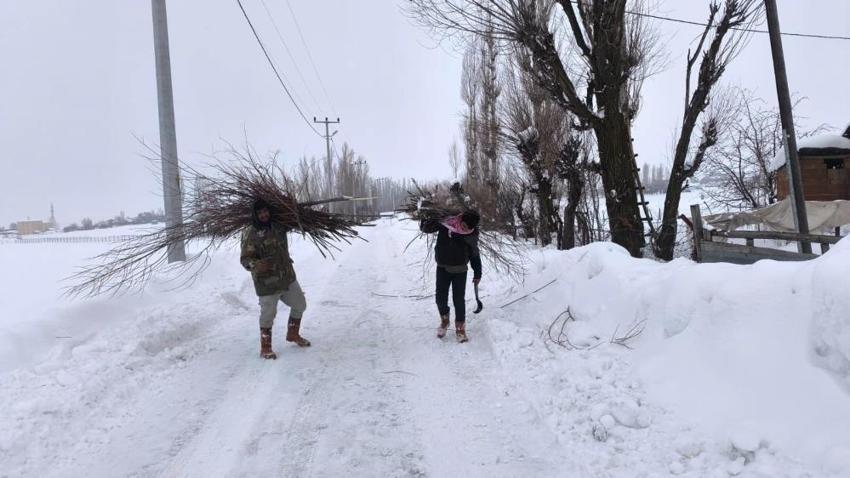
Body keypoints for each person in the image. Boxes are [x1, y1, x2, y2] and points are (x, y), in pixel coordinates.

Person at [240, 198, 311, 359]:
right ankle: (266, 347)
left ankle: (293, 334)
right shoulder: (250, 233)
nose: (264, 215)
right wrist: (257, 265)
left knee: (300, 304)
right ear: (255, 215)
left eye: (265, 211)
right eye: (260, 213)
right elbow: (245, 260)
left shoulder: (278, 226)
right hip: (267, 283)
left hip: (287, 277)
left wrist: (300, 210)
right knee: (268, 315)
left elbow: (295, 220)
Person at [420, 210, 482, 343]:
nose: (465, 229)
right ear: (461, 220)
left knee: (458, 300)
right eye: (464, 225)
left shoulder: (471, 235)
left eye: (469, 228)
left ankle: (460, 328)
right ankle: (445, 320)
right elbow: (426, 228)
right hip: (442, 267)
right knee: (440, 299)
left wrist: (478, 273)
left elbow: (475, 254)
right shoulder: (446, 223)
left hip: (460, 270)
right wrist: (426, 216)